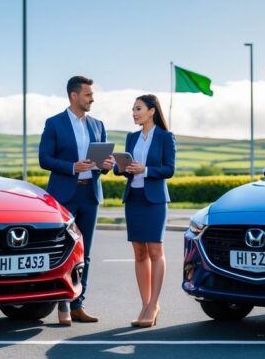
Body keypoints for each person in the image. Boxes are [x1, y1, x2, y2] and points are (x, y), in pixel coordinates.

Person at [39, 76, 113, 325]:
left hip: (90, 195)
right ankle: (63, 306)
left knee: (86, 253)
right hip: (64, 196)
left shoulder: (98, 125)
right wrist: (71, 166)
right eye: (88, 94)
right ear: (74, 96)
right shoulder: (54, 124)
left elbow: (102, 163)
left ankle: (79, 304)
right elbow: (45, 159)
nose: (92, 98)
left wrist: (106, 165)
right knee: (65, 251)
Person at [115, 94, 175, 328]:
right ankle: (145, 304)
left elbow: (169, 169)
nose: (134, 112)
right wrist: (119, 167)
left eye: (138, 108)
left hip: (155, 200)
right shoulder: (131, 138)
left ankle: (154, 304)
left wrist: (146, 169)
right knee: (139, 252)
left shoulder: (165, 137)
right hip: (134, 198)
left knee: (154, 250)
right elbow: (127, 169)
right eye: (132, 109)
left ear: (151, 111)